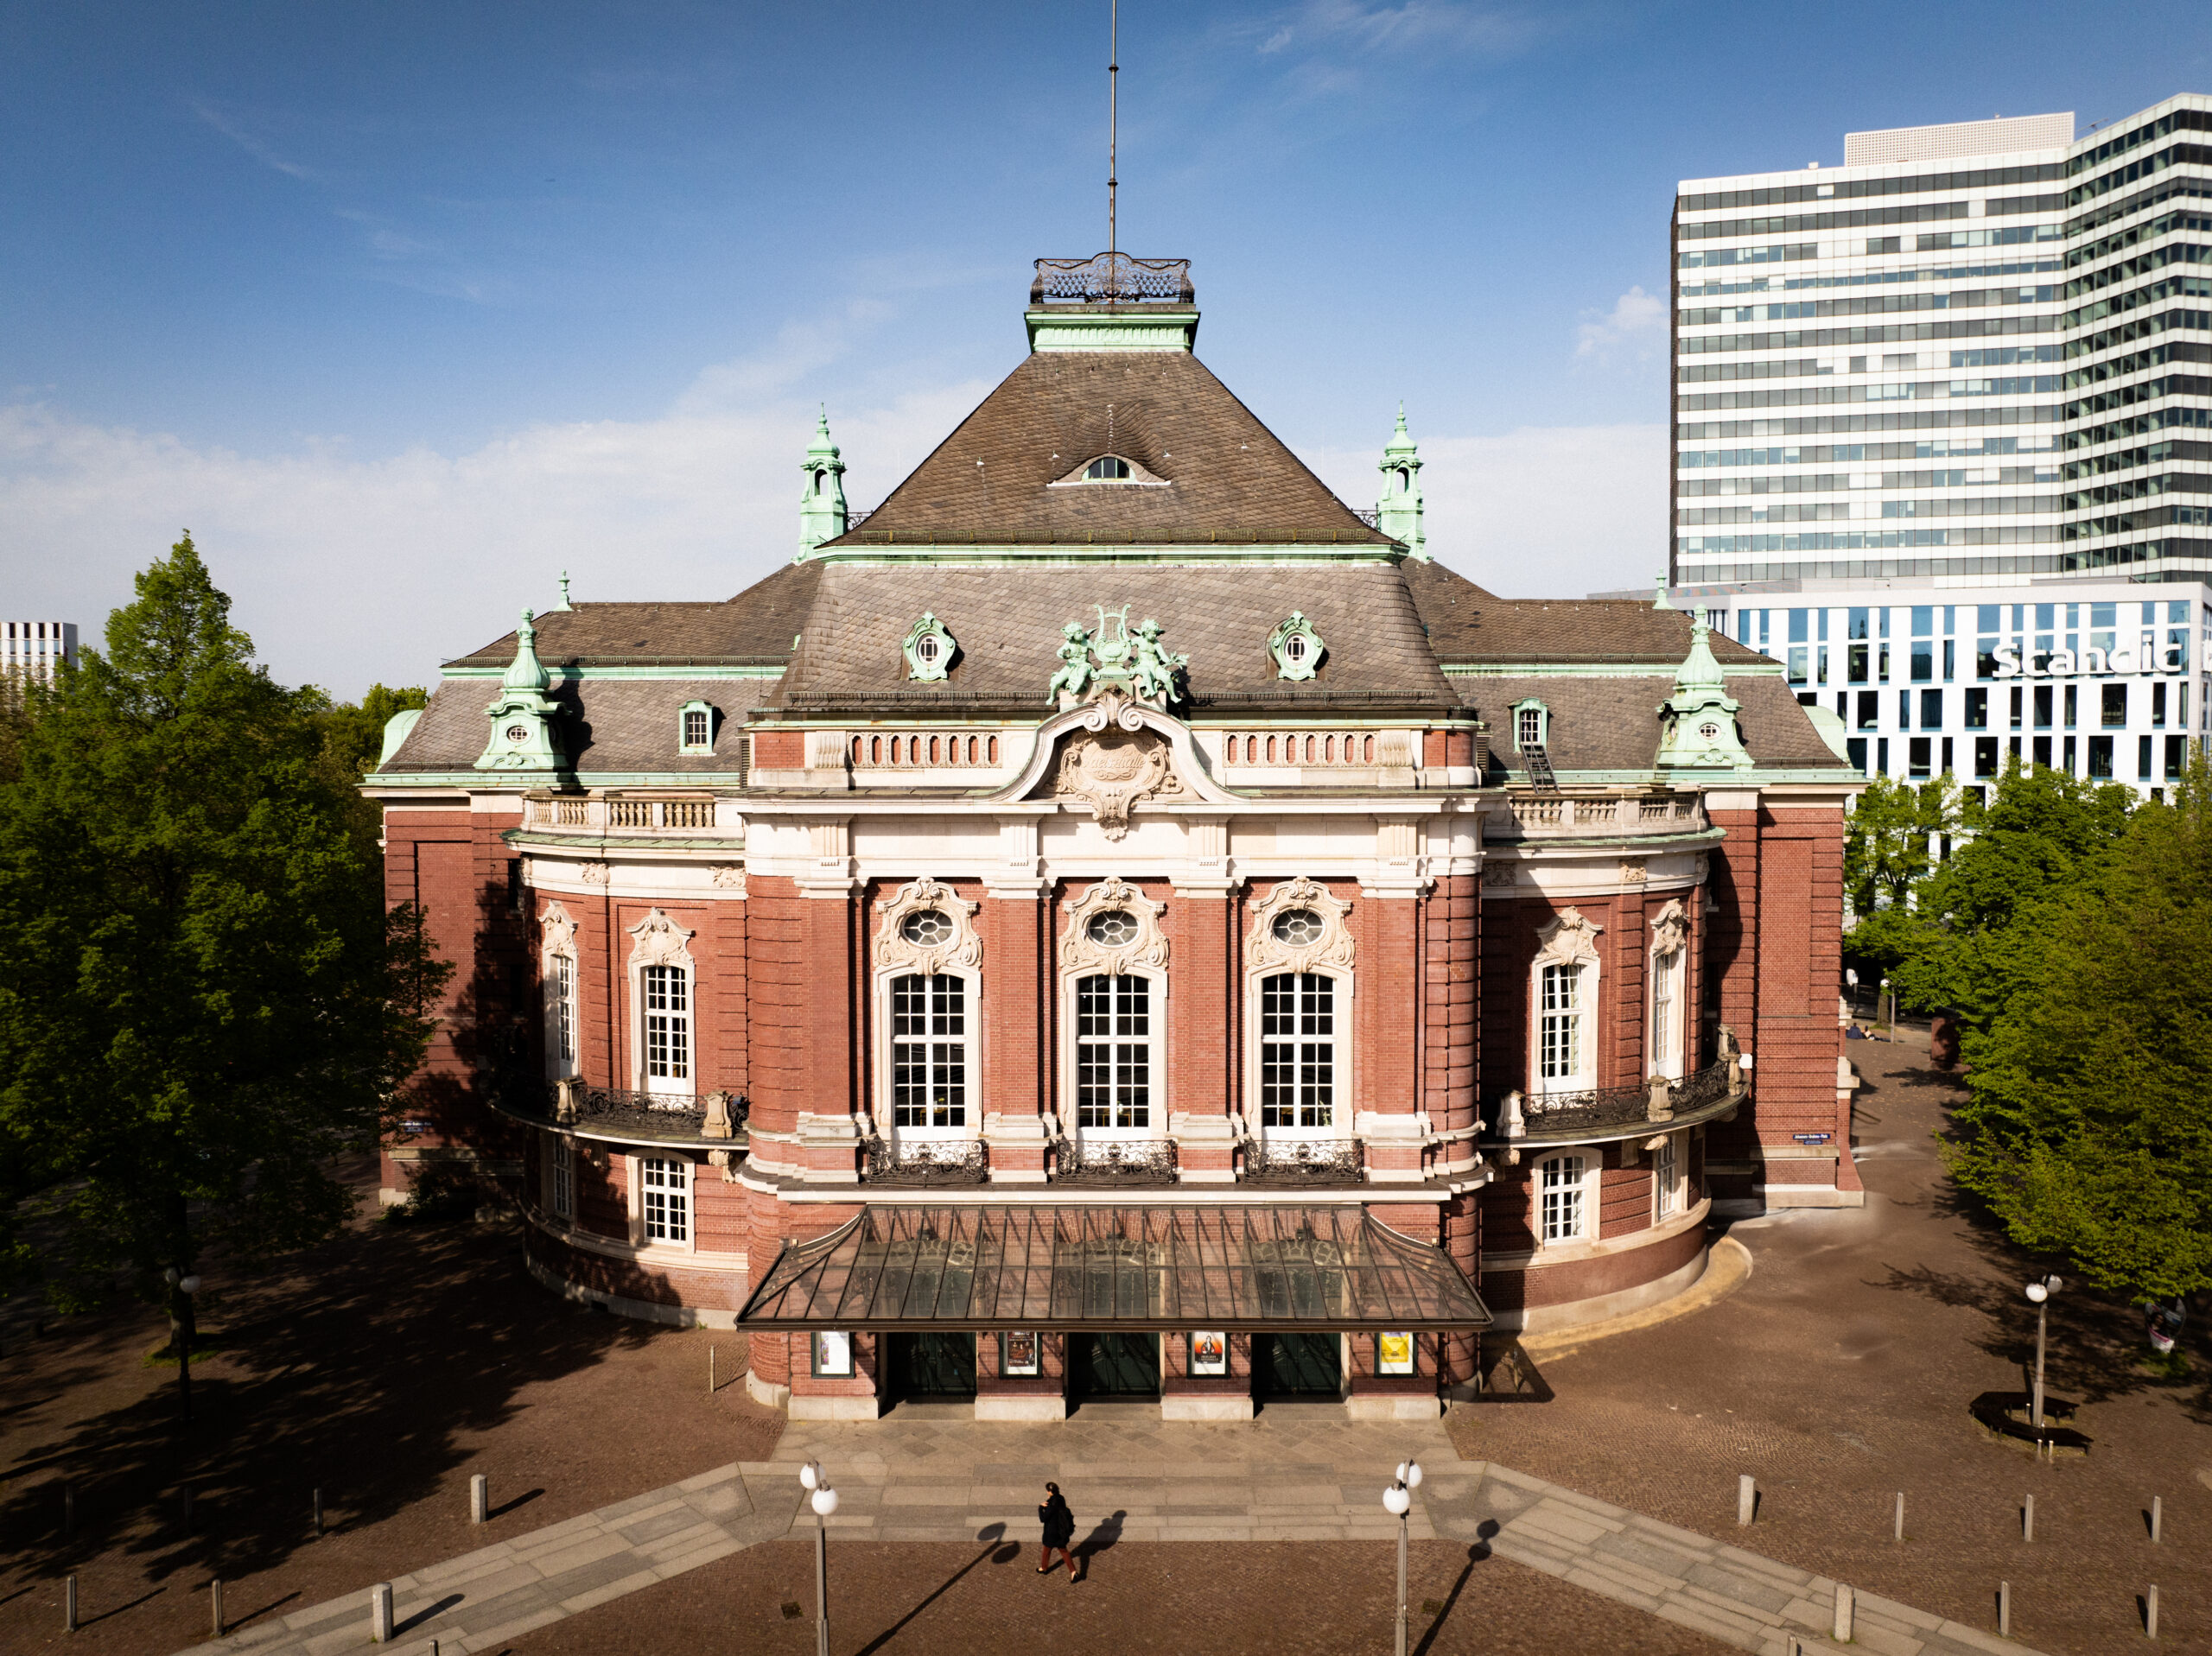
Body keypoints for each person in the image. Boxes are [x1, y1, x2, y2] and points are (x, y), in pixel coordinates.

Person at [1037, 1481, 1077, 1581]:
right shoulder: (1061, 1498)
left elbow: (1043, 1519)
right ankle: (1073, 1571)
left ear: (1050, 1491)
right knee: (1064, 1551)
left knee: (1046, 1550)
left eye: (1047, 1491)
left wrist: (1040, 1508)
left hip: (1051, 1532)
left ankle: (1044, 1568)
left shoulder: (1051, 1504)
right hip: (1061, 1530)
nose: (1047, 1492)